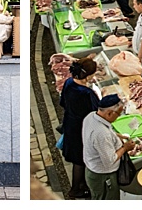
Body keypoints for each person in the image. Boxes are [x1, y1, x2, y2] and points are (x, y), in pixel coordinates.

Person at [59, 57, 100, 198]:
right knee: (80, 159)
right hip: (82, 129)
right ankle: (76, 189)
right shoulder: (87, 93)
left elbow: (62, 102)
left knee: (77, 158)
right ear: (88, 76)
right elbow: (97, 113)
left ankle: (80, 184)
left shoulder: (68, 83)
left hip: (70, 123)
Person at [82, 95, 135, 200]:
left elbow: (108, 131)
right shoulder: (102, 134)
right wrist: (125, 148)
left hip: (91, 169)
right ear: (109, 113)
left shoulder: (91, 116)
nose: (118, 117)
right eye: (118, 114)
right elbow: (110, 161)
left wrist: (119, 136)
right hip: (103, 176)